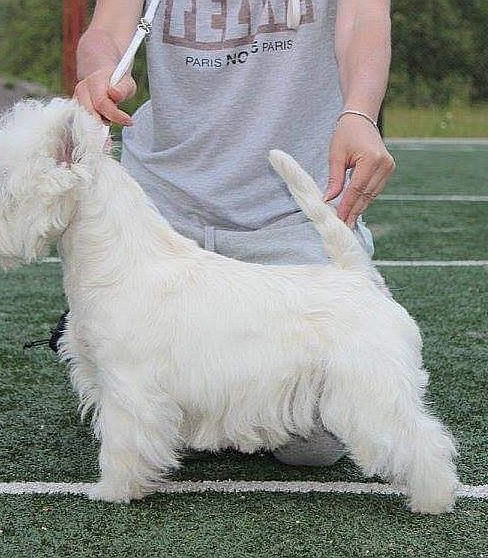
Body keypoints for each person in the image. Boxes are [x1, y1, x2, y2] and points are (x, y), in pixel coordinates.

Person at [70, 0, 395, 466]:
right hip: (161, 212)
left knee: (316, 442)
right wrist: (99, 72)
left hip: (289, 208)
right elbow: (106, 29)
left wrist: (361, 113)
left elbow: (364, 18)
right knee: (129, 390)